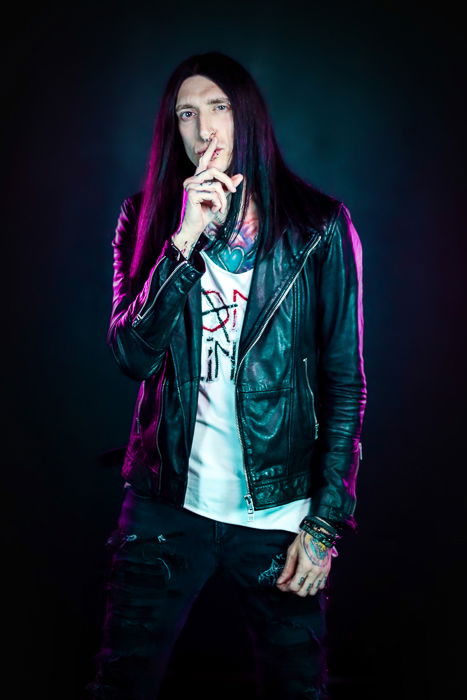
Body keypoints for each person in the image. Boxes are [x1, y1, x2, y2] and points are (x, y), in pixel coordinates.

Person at [87, 51, 367, 700]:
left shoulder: (318, 227)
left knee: (298, 688)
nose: (204, 128)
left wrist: (322, 528)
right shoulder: (147, 221)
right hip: (164, 506)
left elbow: (345, 384)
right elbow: (132, 356)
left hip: (276, 514)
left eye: (219, 108)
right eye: (186, 113)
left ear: (249, 119)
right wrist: (183, 240)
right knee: (120, 683)